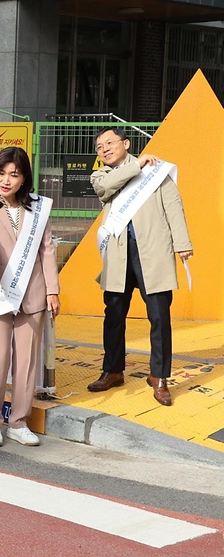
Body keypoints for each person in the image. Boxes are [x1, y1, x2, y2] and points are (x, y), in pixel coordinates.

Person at [87, 127, 193, 406]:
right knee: (114, 315)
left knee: (160, 317)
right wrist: (137, 164)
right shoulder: (102, 175)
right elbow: (104, 189)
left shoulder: (156, 171)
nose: (105, 149)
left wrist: (182, 243)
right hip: (118, 255)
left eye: (110, 142)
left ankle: (159, 377)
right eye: (99, 147)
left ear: (126, 142)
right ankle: (112, 369)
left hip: (153, 253)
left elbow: (174, 206)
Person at [0, 147, 60, 447]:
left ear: (24, 179)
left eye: (14, 174)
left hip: (33, 294)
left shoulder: (38, 209)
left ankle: (19, 422)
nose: (5, 180)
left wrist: (52, 290)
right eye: (1, 172)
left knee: (26, 362)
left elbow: (47, 250)